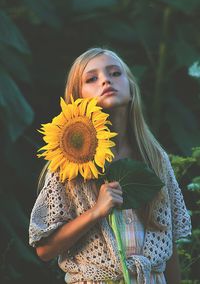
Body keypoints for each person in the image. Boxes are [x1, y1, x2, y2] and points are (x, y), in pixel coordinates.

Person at [29, 47, 191, 284]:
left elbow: (169, 242)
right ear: (78, 99)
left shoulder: (155, 158)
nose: (105, 80)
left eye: (115, 73)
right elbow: (44, 249)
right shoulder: (69, 165)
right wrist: (96, 212)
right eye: (92, 79)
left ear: (132, 89)